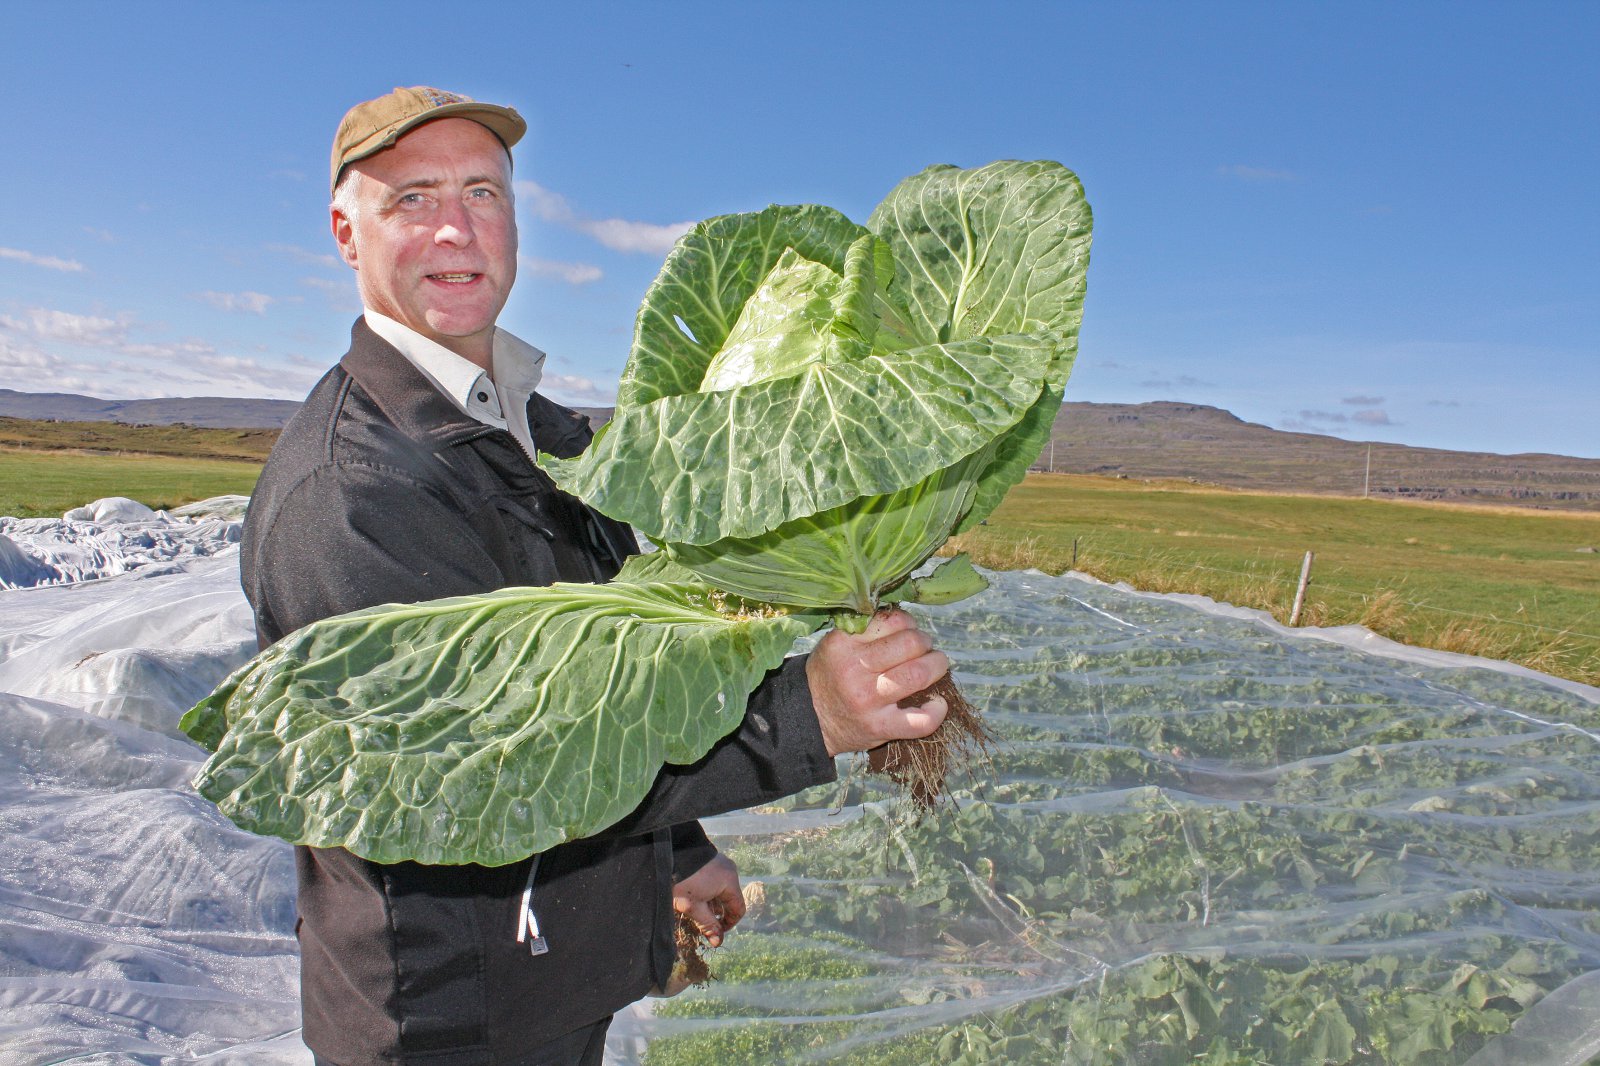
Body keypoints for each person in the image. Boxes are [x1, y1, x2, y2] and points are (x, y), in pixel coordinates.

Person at [240, 86, 950, 1066]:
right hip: (451, 1015)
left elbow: (629, 673)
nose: (457, 226)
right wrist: (807, 716)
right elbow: (503, 765)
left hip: (558, 972)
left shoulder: (549, 436)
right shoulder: (349, 497)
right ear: (344, 231)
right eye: (411, 197)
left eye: (483, 193)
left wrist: (682, 848)